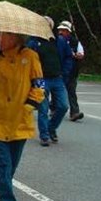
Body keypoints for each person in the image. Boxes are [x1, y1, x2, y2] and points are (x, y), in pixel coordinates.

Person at [0, 32, 45, 201]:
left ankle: (3, 188)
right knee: (3, 162)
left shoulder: (30, 56)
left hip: (20, 118)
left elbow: (39, 84)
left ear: (15, 38)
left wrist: (30, 105)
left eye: (3, 36)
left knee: (13, 161)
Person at [27, 17, 72, 146]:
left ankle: (51, 128)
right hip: (41, 80)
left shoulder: (60, 41)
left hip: (58, 78)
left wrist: (65, 73)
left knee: (63, 106)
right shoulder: (34, 42)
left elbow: (69, 57)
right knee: (43, 109)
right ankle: (44, 136)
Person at [57, 21, 84, 121]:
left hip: (72, 71)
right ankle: (54, 108)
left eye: (63, 30)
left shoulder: (75, 42)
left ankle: (74, 112)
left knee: (71, 92)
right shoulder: (55, 41)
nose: (60, 32)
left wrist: (76, 55)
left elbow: (81, 54)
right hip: (58, 71)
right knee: (57, 91)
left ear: (68, 31)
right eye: (60, 30)